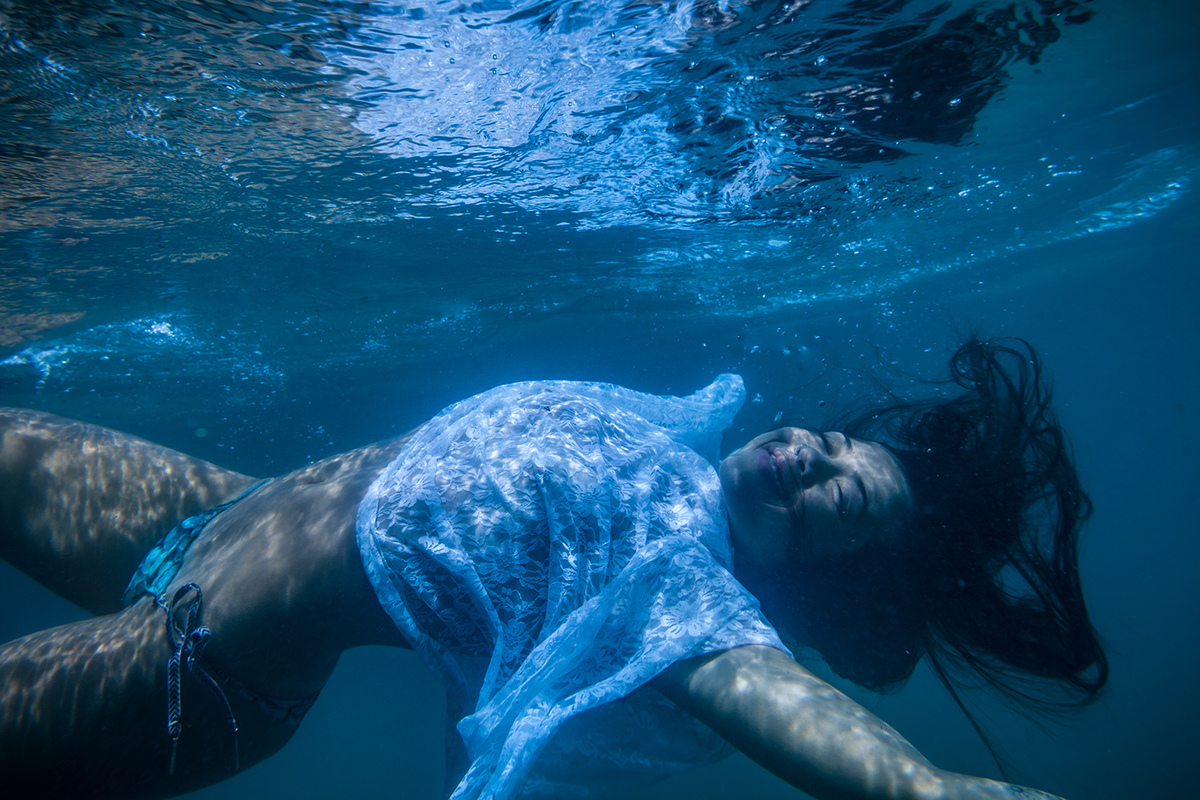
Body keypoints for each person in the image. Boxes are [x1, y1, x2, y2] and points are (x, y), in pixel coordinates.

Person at [0, 337, 1106, 800]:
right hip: (225, 511)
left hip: (198, 660)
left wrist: (926, 787)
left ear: (832, 575)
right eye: (835, 441)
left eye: (841, 494)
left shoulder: (683, 590)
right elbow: (500, 641)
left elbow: (806, 721)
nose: (812, 451)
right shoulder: (679, 445)